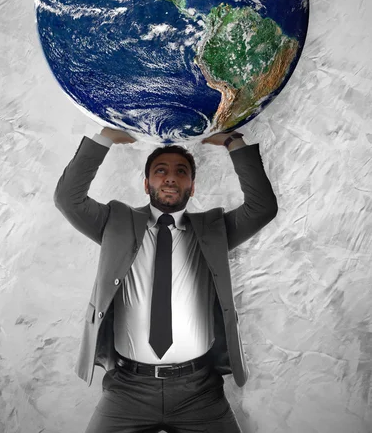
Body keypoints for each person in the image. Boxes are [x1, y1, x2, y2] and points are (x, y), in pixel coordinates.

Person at [54, 126, 278, 433]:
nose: (170, 177)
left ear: (192, 187)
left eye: (181, 172)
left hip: (199, 391)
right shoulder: (115, 222)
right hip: (128, 389)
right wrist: (105, 136)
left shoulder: (213, 229)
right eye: (160, 171)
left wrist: (233, 142)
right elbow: (68, 199)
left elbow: (262, 207)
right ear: (146, 184)